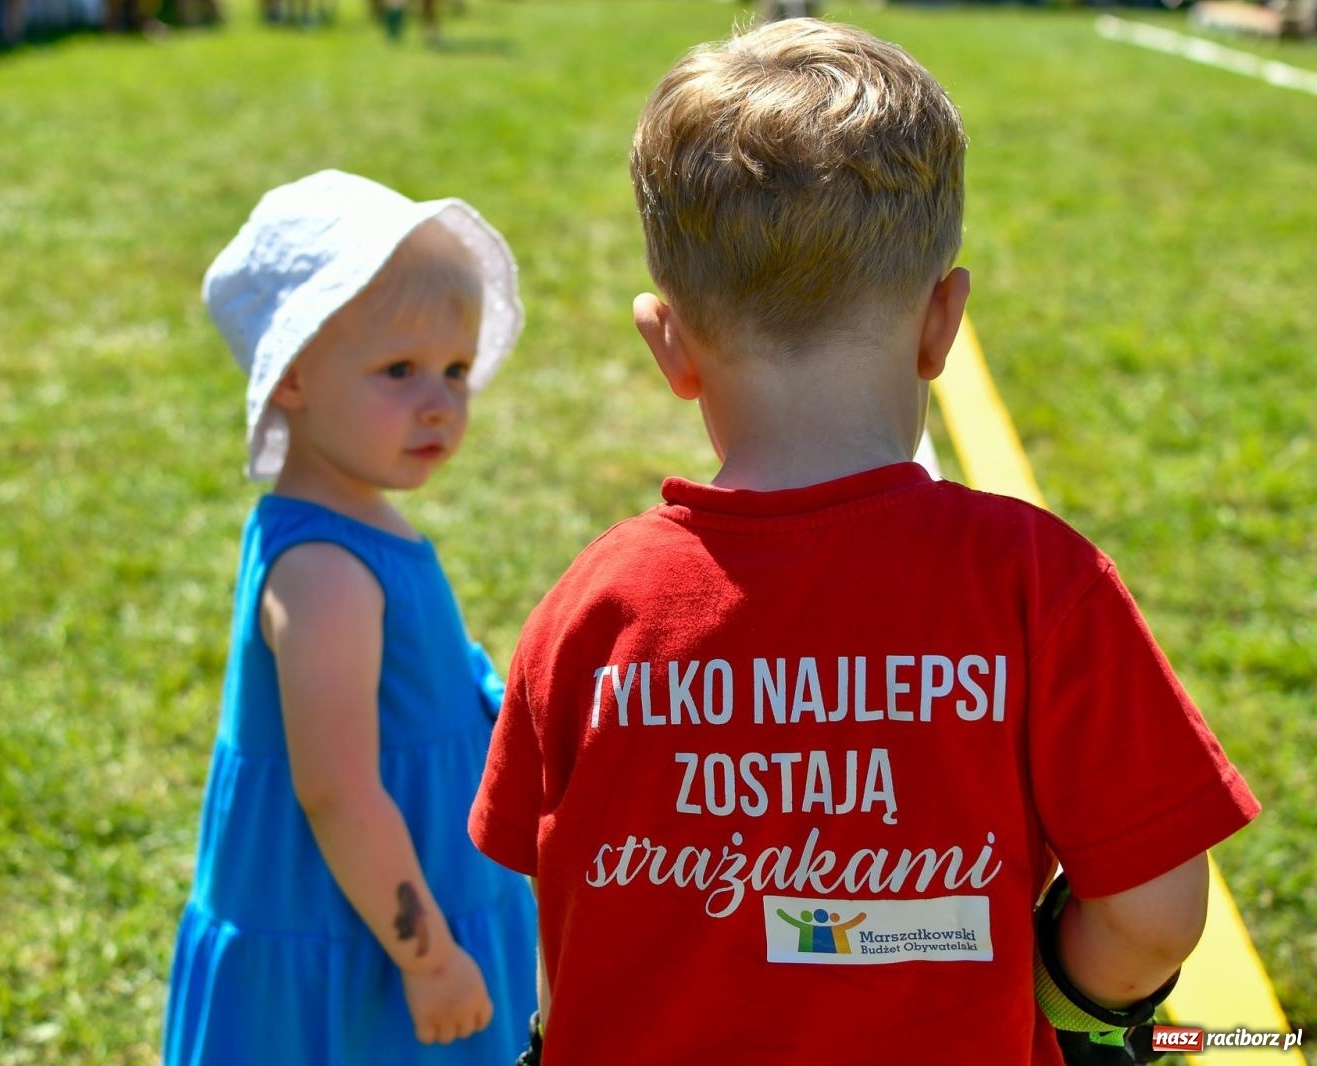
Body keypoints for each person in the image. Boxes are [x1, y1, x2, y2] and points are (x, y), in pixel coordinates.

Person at [469, 18, 1260, 1065]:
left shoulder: (595, 608)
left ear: (669, 345)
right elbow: (1153, 916)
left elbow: (553, 902)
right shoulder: (1037, 585)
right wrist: (1066, 998)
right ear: (943, 322)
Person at [164, 169, 538, 1066]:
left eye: (454, 370)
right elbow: (335, 788)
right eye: (399, 371)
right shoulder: (326, 570)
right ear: (292, 376)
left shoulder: (355, 516)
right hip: (362, 930)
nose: (441, 400)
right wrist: (431, 956)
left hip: (402, 885)